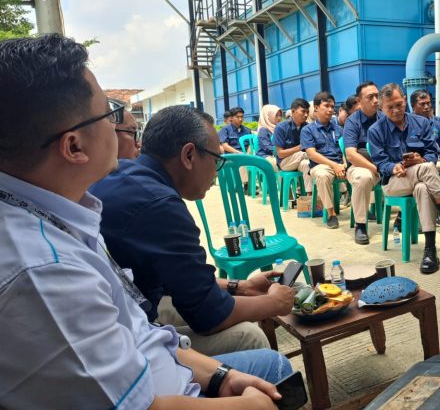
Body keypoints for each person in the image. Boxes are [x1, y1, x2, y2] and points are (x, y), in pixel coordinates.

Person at [0, 34, 290, 409]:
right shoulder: (45, 270)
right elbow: (205, 317)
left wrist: (220, 375)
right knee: (268, 363)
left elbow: (139, 328)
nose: (124, 131)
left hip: (165, 361)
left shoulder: (65, 212)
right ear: (74, 147)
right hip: (165, 388)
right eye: (108, 113)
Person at [91, 105, 296, 356]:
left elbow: (177, 279)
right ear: (188, 155)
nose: (216, 174)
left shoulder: (122, 174)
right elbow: (209, 317)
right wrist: (273, 303)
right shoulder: (161, 207)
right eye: (216, 159)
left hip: (121, 309)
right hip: (124, 341)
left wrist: (238, 286)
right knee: (249, 338)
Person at [368, 83, 440, 274]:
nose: (396, 110)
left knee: (423, 187)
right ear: (382, 107)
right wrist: (394, 166)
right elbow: (380, 164)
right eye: (390, 107)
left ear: (405, 100)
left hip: (422, 176)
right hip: (395, 182)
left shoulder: (420, 123)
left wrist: (420, 159)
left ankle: (430, 249)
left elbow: (432, 152)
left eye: (399, 104)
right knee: (427, 169)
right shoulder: (376, 130)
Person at [343, 81, 383, 244]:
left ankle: (403, 217)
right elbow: (351, 155)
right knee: (363, 178)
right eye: (370, 97)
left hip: (384, 165)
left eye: (377, 96)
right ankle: (360, 225)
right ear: (359, 101)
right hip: (362, 166)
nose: (375, 100)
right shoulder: (352, 122)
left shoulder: (385, 118)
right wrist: (375, 167)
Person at [301, 92, 345, 229]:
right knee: (322, 175)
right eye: (326, 106)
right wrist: (334, 165)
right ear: (316, 108)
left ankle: (366, 210)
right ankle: (331, 213)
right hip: (320, 165)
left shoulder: (339, 129)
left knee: (362, 172)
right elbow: (312, 154)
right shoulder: (308, 130)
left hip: (340, 164)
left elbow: (346, 149)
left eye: (332, 106)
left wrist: (344, 164)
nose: (331, 110)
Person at [410, 89, 440, 199]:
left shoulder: (437, 121)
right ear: (413, 105)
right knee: (429, 187)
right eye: (422, 104)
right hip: (422, 163)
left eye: (428, 103)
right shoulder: (408, 124)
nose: (427, 107)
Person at [274, 98, 313, 194]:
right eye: (303, 111)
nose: (306, 115)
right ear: (293, 111)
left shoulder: (308, 127)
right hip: (285, 163)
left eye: (307, 112)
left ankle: (309, 197)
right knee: (308, 154)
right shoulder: (281, 128)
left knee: (306, 164)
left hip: (300, 161)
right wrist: (300, 147)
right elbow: (280, 154)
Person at [256, 104, 281, 173]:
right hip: (265, 156)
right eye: (276, 116)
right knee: (279, 163)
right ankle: (279, 183)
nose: (279, 118)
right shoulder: (263, 130)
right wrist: (280, 151)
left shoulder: (279, 128)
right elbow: (266, 146)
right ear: (268, 117)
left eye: (280, 115)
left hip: (277, 154)